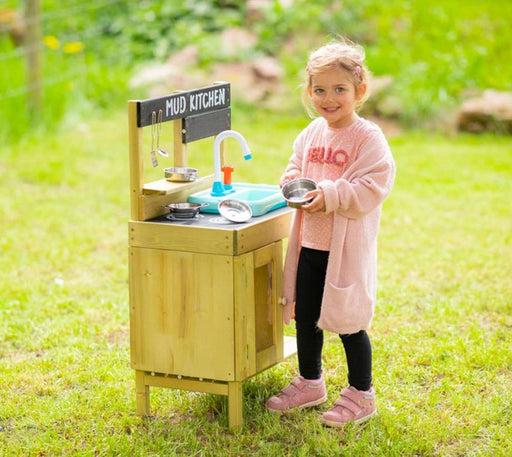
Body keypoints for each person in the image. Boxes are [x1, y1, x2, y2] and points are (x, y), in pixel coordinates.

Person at [265, 37, 396, 427]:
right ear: (309, 92)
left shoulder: (367, 138)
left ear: (359, 90)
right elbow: (293, 168)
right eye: (319, 90)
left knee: (349, 322)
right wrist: (291, 183)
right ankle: (310, 381)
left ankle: (361, 393)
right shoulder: (311, 134)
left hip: (345, 250)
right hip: (309, 244)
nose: (329, 98)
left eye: (339, 89)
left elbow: (372, 188)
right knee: (305, 317)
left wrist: (330, 194)